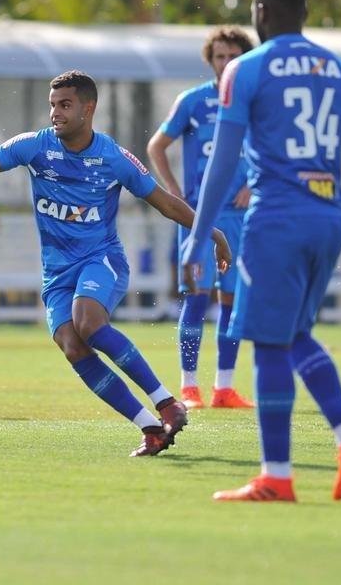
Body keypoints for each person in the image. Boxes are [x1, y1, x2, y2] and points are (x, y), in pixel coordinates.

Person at [182, 0, 341, 502]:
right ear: (304, 13)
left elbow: (221, 162)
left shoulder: (245, 70)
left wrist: (198, 237)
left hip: (275, 221)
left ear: (260, 13)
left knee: (267, 344)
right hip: (328, 220)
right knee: (295, 336)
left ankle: (276, 477)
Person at [0, 70, 232, 456]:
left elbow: (166, 203)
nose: (56, 112)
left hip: (101, 259)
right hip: (57, 272)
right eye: (53, 105)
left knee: (88, 322)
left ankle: (167, 402)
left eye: (65, 105)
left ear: (89, 109)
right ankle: (150, 426)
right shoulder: (33, 147)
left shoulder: (113, 157)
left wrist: (214, 233)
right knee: (72, 344)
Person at [146, 26, 255, 409]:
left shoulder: (256, 101)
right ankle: (189, 387)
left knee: (233, 300)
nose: (226, 63)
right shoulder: (193, 101)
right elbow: (157, 145)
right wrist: (174, 190)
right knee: (196, 298)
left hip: (240, 218)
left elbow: (274, 152)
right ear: (210, 60)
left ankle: (224, 388)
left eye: (233, 56)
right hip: (200, 219)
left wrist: (254, 186)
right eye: (220, 56)